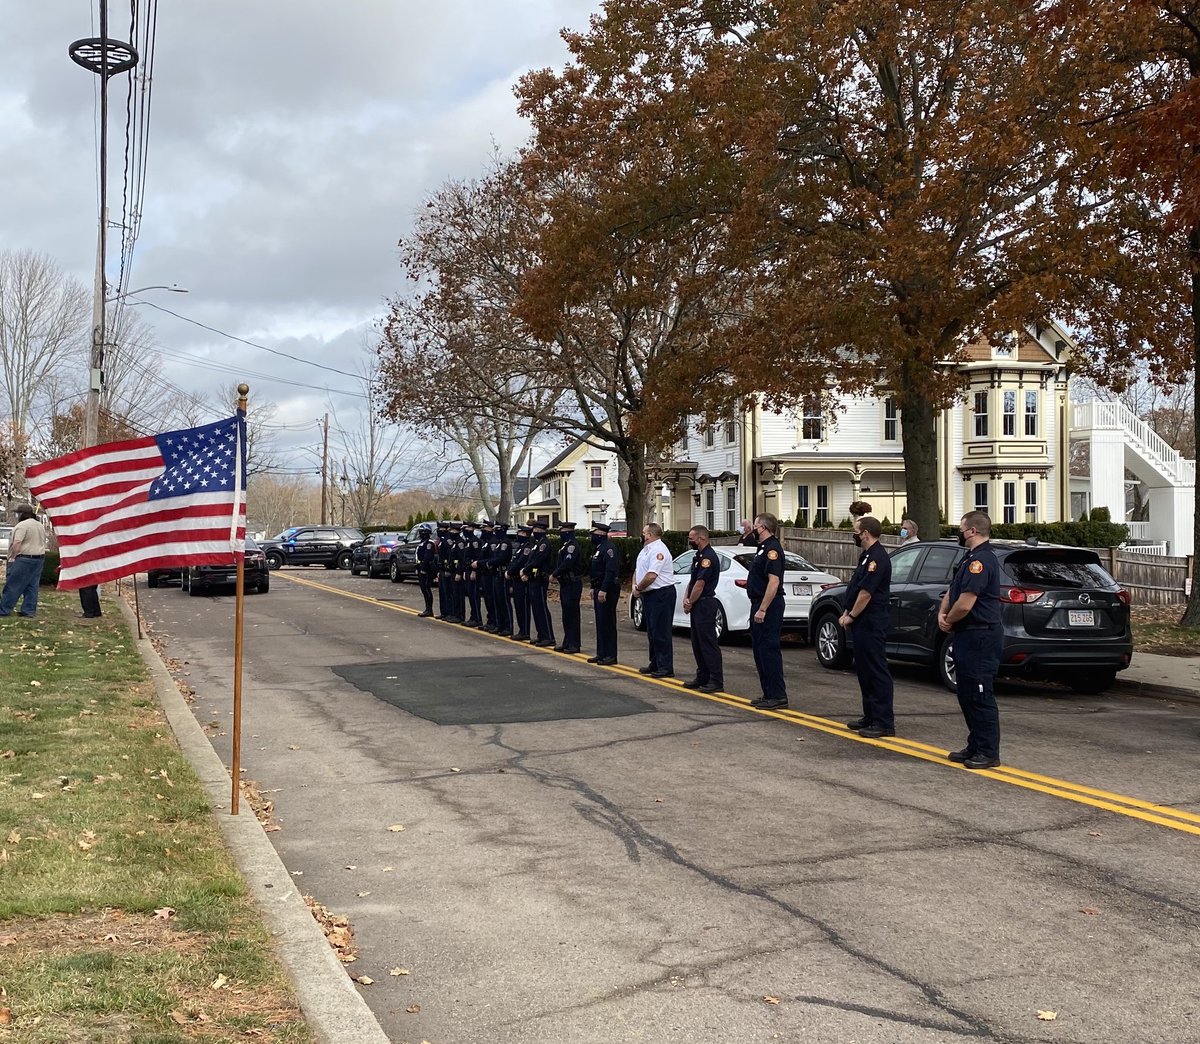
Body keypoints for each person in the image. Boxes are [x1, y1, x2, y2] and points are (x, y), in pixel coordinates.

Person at [939, 511, 1003, 769]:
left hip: (981, 634)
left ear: (973, 531)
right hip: (967, 634)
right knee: (966, 693)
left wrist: (950, 619)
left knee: (979, 693)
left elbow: (966, 604)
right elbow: (954, 591)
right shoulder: (970, 558)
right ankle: (975, 744)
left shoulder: (982, 561)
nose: (959, 532)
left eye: (962, 528)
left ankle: (988, 751)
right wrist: (943, 613)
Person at [840, 516, 894, 738]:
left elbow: (866, 593)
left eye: (856, 531)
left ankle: (883, 722)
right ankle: (870, 715)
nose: (854, 535)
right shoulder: (866, 556)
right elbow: (855, 587)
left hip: (871, 621)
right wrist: (846, 610)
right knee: (863, 670)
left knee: (875, 670)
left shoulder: (877, 558)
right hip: (862, 622)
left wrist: (851, 615)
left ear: (865, 533)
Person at [745, 513, 787, 709]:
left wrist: (763, 608)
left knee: (769, 650)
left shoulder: (772, 549)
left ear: (763, 527)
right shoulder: (762, 549)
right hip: (758, 603)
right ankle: (767, 692)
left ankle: (777, 695)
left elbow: (774, 582)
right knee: (759, 650)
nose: (753, 529)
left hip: (769, 605)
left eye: (755, 526)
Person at [681, 525, 723, 693]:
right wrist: (686, 598)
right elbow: (692, 581)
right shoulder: (698, 557)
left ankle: (716, 679)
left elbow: (700, 584)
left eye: (692, 538)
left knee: (707, 643)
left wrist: (690, 601)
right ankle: (703, 676)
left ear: (702, 538)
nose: (690, 541)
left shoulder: (708, 558)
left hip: (705, 603)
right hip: (697, 603)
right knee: (697, 643)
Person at [633, 522, 675, 678]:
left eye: (644, 532)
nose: (642, 535)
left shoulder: (658, 550)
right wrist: (634, 585)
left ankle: (665, 667)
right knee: (651, 630)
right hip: (649, 594)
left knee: (661, 631)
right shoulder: (646, 550)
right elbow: (639, 570)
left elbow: (651, 575)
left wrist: (639, 588)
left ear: (650, 535)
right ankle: (655, 663)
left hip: (661, 594)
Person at [0, 504, 46, 619]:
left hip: (24, 558)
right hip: (39, 558)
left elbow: (17, 542)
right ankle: (29, 611)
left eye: (17, 513)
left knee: (13, 585)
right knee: (32, 586)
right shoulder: (40, 525)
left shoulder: (22, 526)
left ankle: (4, 610)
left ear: (22, 514)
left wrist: (13, 556)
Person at [587, 521, 621, 665]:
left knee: (607, 622)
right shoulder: (599, 548)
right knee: (601, 622)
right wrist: (593, 587)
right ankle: (601, 653)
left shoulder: (609, 549)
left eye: (593, 534)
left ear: (601, 534)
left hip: (608, 589)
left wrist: (604, 589)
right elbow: (596, 570)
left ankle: (610, 655)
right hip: (598, 587)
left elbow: (610, 571)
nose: (592, 537)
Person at [524, 520, 556, 647]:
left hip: (540, 579)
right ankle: (541, 635)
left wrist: (525, 570)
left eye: (536, 530)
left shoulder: (544, 544)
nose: (534, 532)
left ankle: (548, 636)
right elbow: (530, 559)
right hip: (533, 579)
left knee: (541, 608)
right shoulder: (537, 544)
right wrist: (526, 570)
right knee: (536, 609)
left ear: (541, 530)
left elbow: (538, 560)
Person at [551, 521, 582, 653]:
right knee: (566, 615)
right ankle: (567, 641)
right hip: (566, 583)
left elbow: (567, 563)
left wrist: (554, 574)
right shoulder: (566, 545)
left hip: (572, 583)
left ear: (568, 531)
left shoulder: (572, 546)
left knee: (572, 615)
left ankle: (574, 644)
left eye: (562, 531)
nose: (561, 533)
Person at [488, 523, 513, 636]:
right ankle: (500, 625)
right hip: (497, 573)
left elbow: (501, 558)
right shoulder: (499, 543)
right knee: (498, 601)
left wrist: (490, 562)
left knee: (504, 602)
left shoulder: (505, 543)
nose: (495, 532)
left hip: (502, 574)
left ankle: (508, 627)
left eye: (497, 530)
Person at [509, 525, 532, 641]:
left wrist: (510, 571)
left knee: (523, 606)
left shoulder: (527, 547)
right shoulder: (521, 547)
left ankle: (525, 631)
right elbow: (514, 561)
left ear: (526, 535)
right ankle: (521, 630)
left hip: (522, 579)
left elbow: (521, 562)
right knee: (518, 606)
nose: (518, 535)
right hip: (516, 578)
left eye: (521, 533)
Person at [415, 525, 437, 617]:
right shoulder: (422, 543)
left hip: (426, 569)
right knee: (423, 589)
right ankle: (427, 608)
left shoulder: (429, 543)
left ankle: (429, 609)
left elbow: (427, 557)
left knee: (426, 588)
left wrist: (423, 569)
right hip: (420, 567)